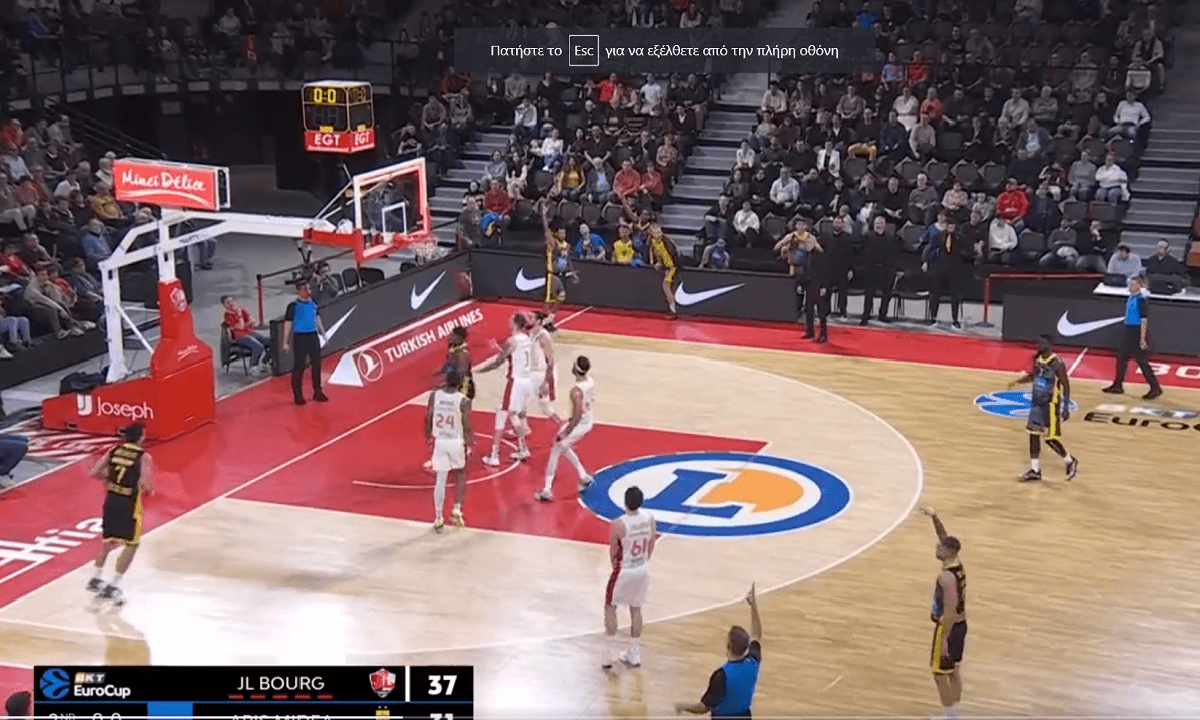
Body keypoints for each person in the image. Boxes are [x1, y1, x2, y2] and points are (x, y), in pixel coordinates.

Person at [87, 424, 155, 606]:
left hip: (111, 501)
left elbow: (94, 473)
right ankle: (112, 586)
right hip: (128, 504)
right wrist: (150, 489)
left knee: (109, 541)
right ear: (141, 437)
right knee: (132, 544)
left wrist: (109, 480)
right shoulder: (143, 457)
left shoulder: (114, 450)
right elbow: (147, 486)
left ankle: (96, 578)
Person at [674, 583, 762, 718]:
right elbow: (757, 635)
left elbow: (703, 707)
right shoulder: (753, 663)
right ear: (746, 647)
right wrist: (753, 605)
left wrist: (683, 706)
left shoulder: (721, 676)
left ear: (728, 646)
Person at [1009, 335, 1079, 482]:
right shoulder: (1038, 359)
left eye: (1043, 343)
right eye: (1039, 342)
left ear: (1050, 345)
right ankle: (1035, 470)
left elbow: (1066, 385)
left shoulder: (1057, 363)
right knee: (1033, 434)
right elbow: (1034, 375)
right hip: (1037, 403)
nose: (1039, 345)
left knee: (1050, 438)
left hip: (1050, 404)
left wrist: (1065, 407)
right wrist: (1019, 381)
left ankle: (1069, 460)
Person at [602, 485, 657, 669]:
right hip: (642, 568)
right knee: (636, 608)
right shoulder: (649, 519)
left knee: (610, 606)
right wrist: (644, 561)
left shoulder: (618, 524)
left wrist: (615, 566)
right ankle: (634, 653)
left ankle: (610, 654)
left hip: (624, 570)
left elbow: (613, 550)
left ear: (625, 502)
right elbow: (651, 543)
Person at [920, 506, 967, 720]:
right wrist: (934, 517)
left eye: (939, 548)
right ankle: (955, 713)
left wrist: (945, 639)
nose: (936, 548)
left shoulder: (946, 577)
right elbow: (944, 536)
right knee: (954, 670)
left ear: (947, 552)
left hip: (948, 627)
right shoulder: (957, 565)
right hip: (961, 625)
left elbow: (949, 609)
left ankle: (950, 716)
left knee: (939, 674)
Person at [476, 312, 536, 466]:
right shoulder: (527, 339)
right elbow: (515, 356)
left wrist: (479, 371)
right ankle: (523, 448)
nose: (508, 321)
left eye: (510, 319)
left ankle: (494, 455)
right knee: (513, 414)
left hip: (515, 381)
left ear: (515, 323)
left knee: (502, 414)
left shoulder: (511, 341)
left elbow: (498, 362)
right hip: (526, 381)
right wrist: (498, 348)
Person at [537, 355, 595, 501]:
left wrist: (567, 431)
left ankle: (547, 489)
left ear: (576, 369)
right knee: (563, 446)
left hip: (580, 423)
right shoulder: (590, 381)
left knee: (556, 449)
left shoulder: (576, 391)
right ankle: (583, 476)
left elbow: (577, 415)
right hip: (587, 419)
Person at [425, 370, 473, 532]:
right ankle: (457, 509)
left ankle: (438, 516)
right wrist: (470, 443)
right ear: (459, 382)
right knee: (460, 473)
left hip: (440, 440)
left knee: (440, 478)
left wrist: (429, 436)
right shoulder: (463, 401)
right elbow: (467, 425)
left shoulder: (435, 396)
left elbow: (429, 417)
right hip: (455, 441)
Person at [1103, 275, 1163, 400]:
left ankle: (1155, 387)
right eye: (1130, 284)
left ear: (1138, 286)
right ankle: (1118, 385)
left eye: (1132, 284)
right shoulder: (1130, 298)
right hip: (1128, 330)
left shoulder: (1141, 300)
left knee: (1142, 361)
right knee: (1121, 358)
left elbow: (1144, 320)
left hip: (1136, 332)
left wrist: (1142, 338)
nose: (1130, 286)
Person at [282, 280, 328, 406]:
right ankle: (298, 395)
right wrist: (285, 342)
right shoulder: (293, 306)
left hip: (312, 336)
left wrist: (323, 333)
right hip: (300, 337)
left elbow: (317, 318)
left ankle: (317, 391)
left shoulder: (313, 303)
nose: (308, 291)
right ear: (299, 291)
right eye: (305, 289)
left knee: (316, 364)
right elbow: (288, 324)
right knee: (299, 366)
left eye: (308, 288)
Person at [221, 295, 271, 374]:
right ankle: (253, 366)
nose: (230, 303)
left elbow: (253, 321)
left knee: (273, 341)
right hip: (241, 337)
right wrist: (240, 315)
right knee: (258, 347)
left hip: (252, 332)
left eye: (231, 301)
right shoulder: (228, 316)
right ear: (224, 305)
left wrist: (248, 323)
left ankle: (265, 362)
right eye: (227, 303)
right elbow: (241, 327)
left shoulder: (242, 309)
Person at [541, 201, 572, 328]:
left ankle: (548, 318)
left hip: (561, 273)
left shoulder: (567, 245)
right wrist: (544, 215)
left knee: (561, 296)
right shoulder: (552, 242)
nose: (563, 235)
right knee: (550, 299)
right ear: (556, 233)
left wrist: (571, 271)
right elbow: (546, 229)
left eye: (564, 233)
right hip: (551, 273)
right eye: (561, 233)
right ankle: (545, 320)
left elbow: (567, 259)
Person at [528, 311, 558, 421]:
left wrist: (545, 382)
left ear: (538, 321)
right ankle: (521, 427)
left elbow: (550, 361)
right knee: (519, 402)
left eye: (531, 318)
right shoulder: (531, 334)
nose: (528, 319)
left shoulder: (543, 336)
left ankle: (562, 425)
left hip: (543, 374)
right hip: (533, 373)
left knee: (546, 408)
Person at [802, 231, 831, 343]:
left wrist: (824, 286)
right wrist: (802, 284)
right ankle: (810, 331)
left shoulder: (821, 255)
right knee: (809, 309)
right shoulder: (807, 255)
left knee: (821, 311)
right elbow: (805, 271)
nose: (807, 245)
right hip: (809, 284)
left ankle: (823, 333)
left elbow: (826, 272)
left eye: (809, 243)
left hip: (819, 285)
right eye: (806, 243)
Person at [647, 223, 680, 316]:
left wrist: (671, 266)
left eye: (659, 232)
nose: (657, 234)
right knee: (667, 287)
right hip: (666, 267)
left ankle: (673, 310)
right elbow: (657, 254)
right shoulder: (652, 242)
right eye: (655, 232)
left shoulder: (666, 241)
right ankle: (672, 307)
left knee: (666, 286)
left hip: (672, 267)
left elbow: (672, 254)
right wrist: (657, 263)